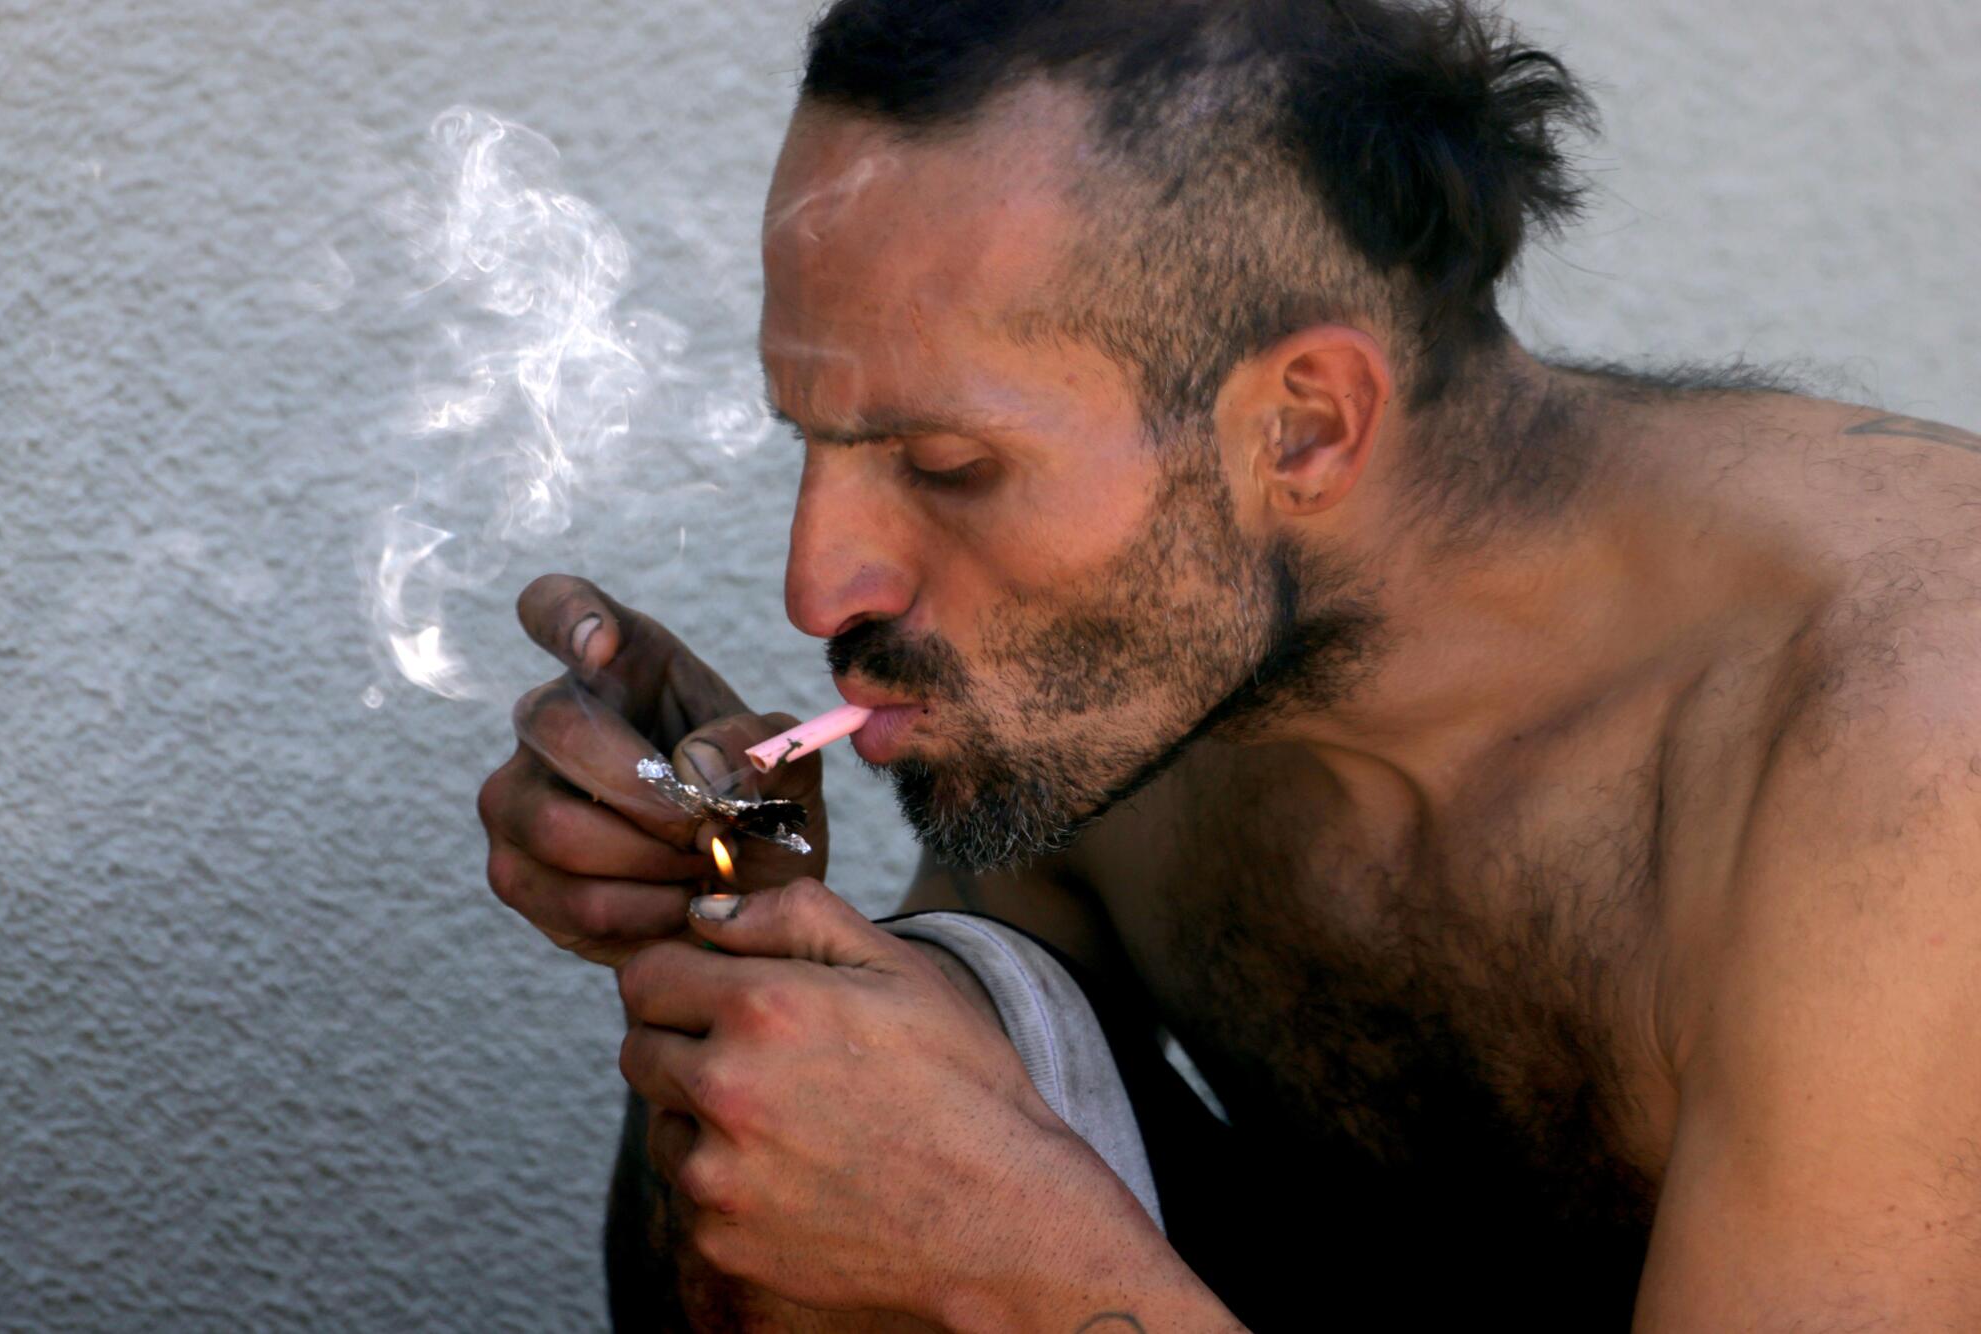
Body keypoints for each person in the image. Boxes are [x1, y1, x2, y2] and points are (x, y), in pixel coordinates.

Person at [478, 0, 1981, 1327]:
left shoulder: (1909, 749)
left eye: (946, 463)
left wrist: (1046, 1281)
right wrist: (737, 901)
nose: (821, 584)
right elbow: (852, 1219)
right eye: (818, 447)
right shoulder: (1151, 686)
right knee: (831, 1085)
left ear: (1304, 426)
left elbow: (1000, 1247)